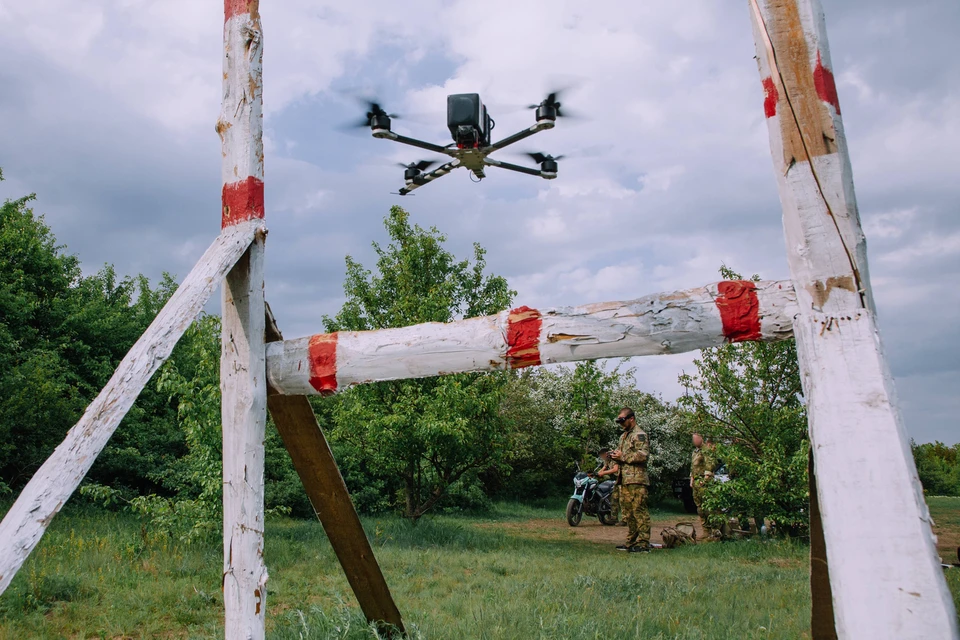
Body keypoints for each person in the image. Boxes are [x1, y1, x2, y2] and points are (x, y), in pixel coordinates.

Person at [610, 407, 650, 552]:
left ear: (631, 418)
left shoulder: (639, 434)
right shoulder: (624, 436)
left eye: (622, 420)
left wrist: (623, 457)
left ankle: (643, 543)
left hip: (637, 480)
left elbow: (643, 455)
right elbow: (622, 456)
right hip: (625, 479)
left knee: (639, 510)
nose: (621, 423)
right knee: (628, 513)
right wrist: (615, 457)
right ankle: (631, 541)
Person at [690, 433, 718, 539]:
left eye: (696, 438)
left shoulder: (706, 450)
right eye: (693, 439)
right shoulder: (694, 452)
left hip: (704, 482)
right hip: (696, 482)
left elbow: (710, 464)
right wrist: (691, 479)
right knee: (700, 508)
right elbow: (692, 467)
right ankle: (706, 531)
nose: (695, 441)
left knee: (708, 508)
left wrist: (706, 479)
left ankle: (714, 531)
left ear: (701, 438)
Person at [596, 449, 623, 525]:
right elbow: (604, 467)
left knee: (623, 500)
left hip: (623, 478)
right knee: (614, 498)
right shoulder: (607, 460)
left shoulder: (613, 457)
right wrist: (596, 474)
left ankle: (625, 520)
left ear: (605, 454)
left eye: (602, 456)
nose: (602, 457)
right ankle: (613, 518)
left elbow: (615, 469)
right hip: (618, 479)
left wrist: (603, 473)